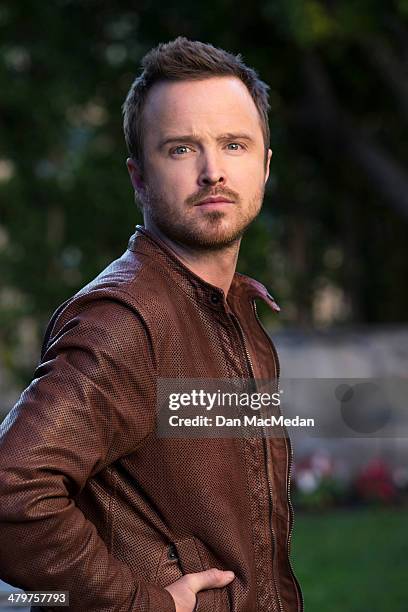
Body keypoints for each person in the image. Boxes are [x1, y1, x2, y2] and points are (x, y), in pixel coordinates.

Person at [0, 37, 303, 612]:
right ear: (139, 177)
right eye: (182, 149)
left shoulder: (234, 309)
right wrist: (138, 604)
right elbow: (12, 491)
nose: (213, 171)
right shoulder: (126, 319)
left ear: (264, 165)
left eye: (233, 145)